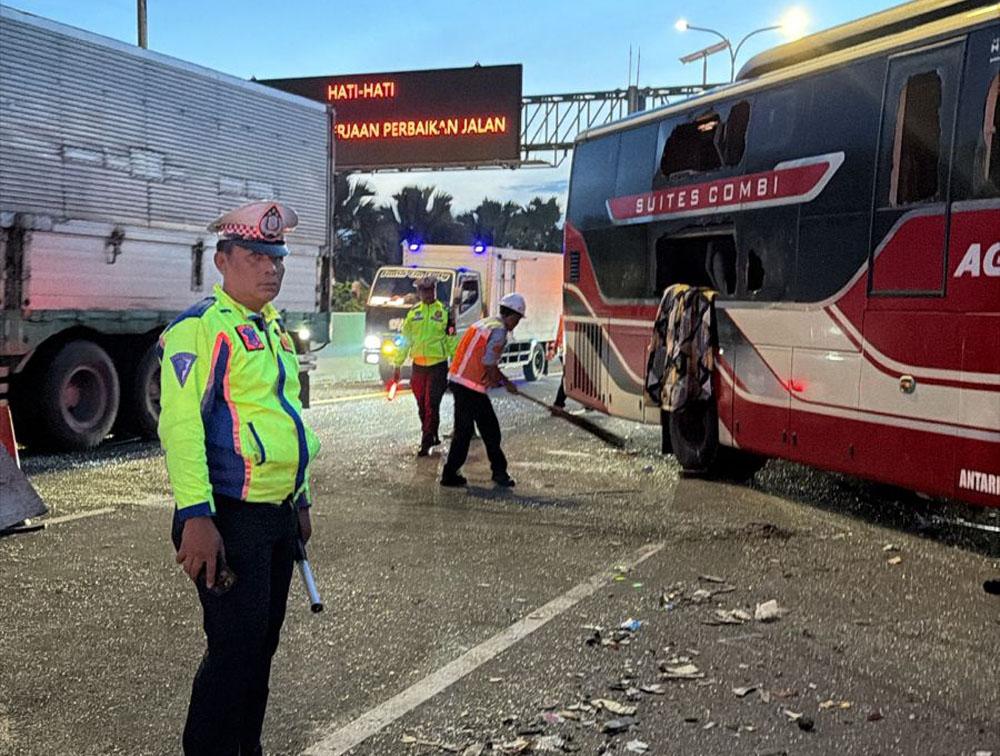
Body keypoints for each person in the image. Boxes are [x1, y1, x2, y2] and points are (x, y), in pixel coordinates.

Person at [157, 200, 321, 755]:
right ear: (223, 260)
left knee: (262, 649)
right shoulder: (199, 330)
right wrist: (195, 517)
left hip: (275, 517)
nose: (272, 267)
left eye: (278, 257)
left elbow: (287, 421)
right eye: (256, 255)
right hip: (228, 515)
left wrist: (300, 501)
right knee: (233, 653)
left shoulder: (273, 331)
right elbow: (179, 428)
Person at [440, 293, 526, 488]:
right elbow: (489, 364)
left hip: (458, 379)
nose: (517, 324)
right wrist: (505, 382)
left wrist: (497, 381)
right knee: (488, 430)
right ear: (512, 316)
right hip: (470, 385)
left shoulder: (485, 323)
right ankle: (497, 473)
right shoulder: (499, 331)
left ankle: (452, 472)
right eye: (518, 320)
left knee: (467, 430)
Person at [392, 276, 457, 456]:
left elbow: (451, 339)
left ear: (435, 290)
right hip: (418, 366)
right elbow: (405, 341)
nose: (427, 293)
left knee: (431, 404)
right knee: (421, 404)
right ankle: (431, 433)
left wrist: (456, 364)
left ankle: (426, 440)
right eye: (424, 290)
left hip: (438, 366)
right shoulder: (413, 313)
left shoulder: (445, 312)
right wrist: (397, 364)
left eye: (430, 290)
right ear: (419, 292)